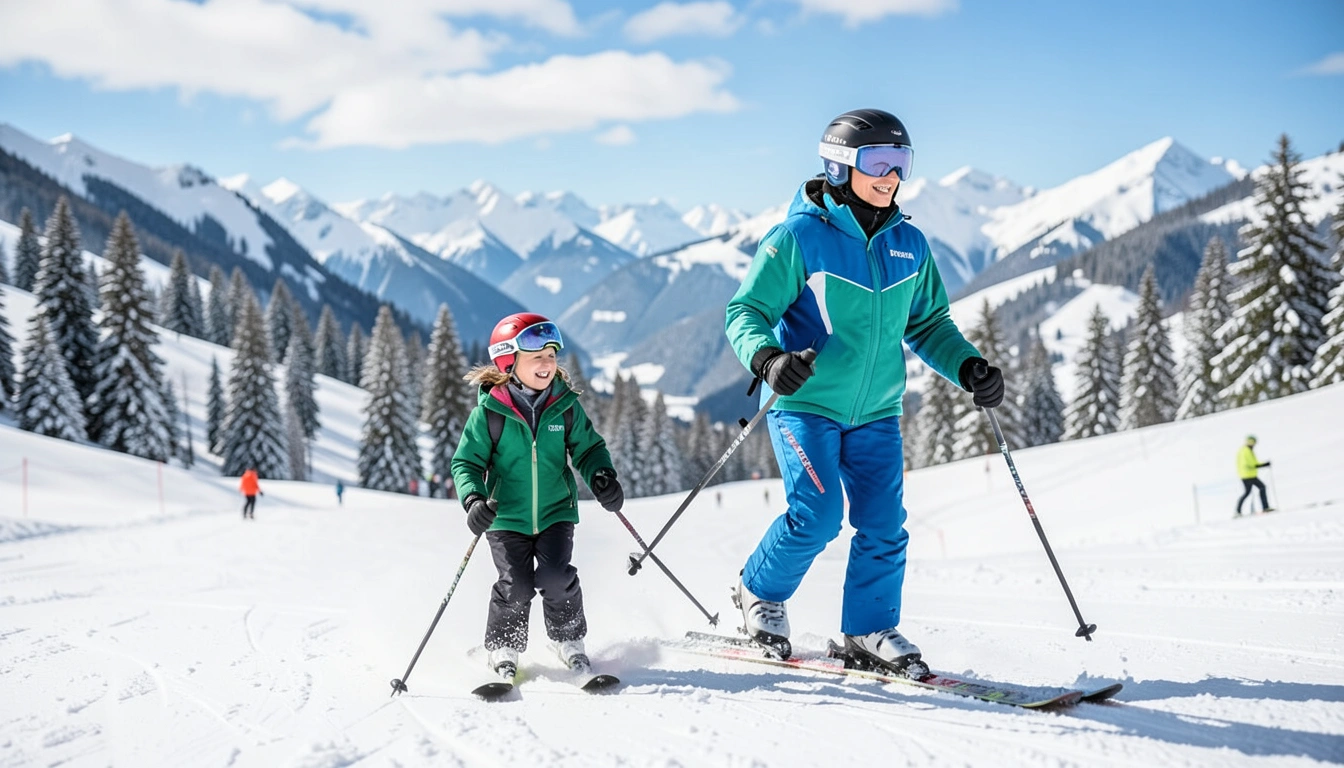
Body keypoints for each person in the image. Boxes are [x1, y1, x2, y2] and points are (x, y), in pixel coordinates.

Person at [723, 108, 1005, 673]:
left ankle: (869, 627)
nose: (891, 176)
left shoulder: (910, 244)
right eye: (877, 162)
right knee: (819, 514)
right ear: (837, 165)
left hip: (877, 411)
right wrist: (768, 358)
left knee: (882, 521)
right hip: (804, 404)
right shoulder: (799, 238)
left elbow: (929, 324)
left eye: (901, 163)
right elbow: (746, 310)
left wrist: (968, 366)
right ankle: (758, 591)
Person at [450, 312, 624, 678]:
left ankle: (569, 640)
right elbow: (466, 463)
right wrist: (474, 501)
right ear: (508, 363)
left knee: (556, 577)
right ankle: (503, 645)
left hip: (555, 512)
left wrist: (602, 475)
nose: (547, 365)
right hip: (505, 517)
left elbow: (588, 449)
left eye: (551, 356)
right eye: (536, 358)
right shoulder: (489, 414)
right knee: (516, 585)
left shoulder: (564, 405)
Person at [1236, 435, 1273, 516]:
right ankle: (1265, 507)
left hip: (1248, 475)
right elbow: (1250, 464)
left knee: (1252, 490)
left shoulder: (1246, 450)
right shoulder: (1246, 450)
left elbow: (1253, 463)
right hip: (1248, 475)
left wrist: (1262, 465)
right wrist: (1262, 465)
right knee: (1259, 488)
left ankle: (1238, 511)